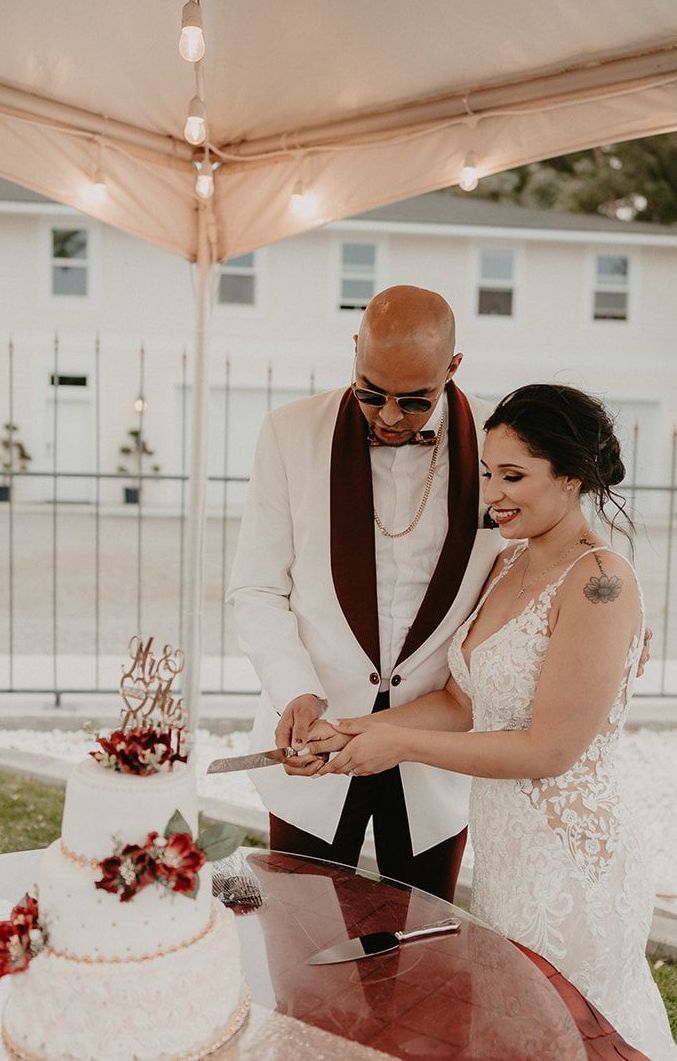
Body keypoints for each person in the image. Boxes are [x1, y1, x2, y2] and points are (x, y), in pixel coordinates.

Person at [308, 383, 676, 1060]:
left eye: (513, 476)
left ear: (571, 477)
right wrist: (357, 729)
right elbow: (461, 702)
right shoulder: (509, 562)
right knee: (517, 1027)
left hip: (571, 860)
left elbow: (548, 750)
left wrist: (398, 746)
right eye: (486, 474)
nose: (492, 494)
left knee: (573, 1034)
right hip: (509, 852)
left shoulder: (601, 582)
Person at [226, 285, 504, 901]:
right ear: (355, 350)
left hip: (434, 751)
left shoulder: (501, 439)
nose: (390, 417)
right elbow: (257, 586)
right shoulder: (288, 433)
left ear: (453, 367)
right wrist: (295, 689)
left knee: (422, 937)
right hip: (314, 740)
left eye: (414, 400)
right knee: (299, 929)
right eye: (371, 392)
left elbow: (554, 533)